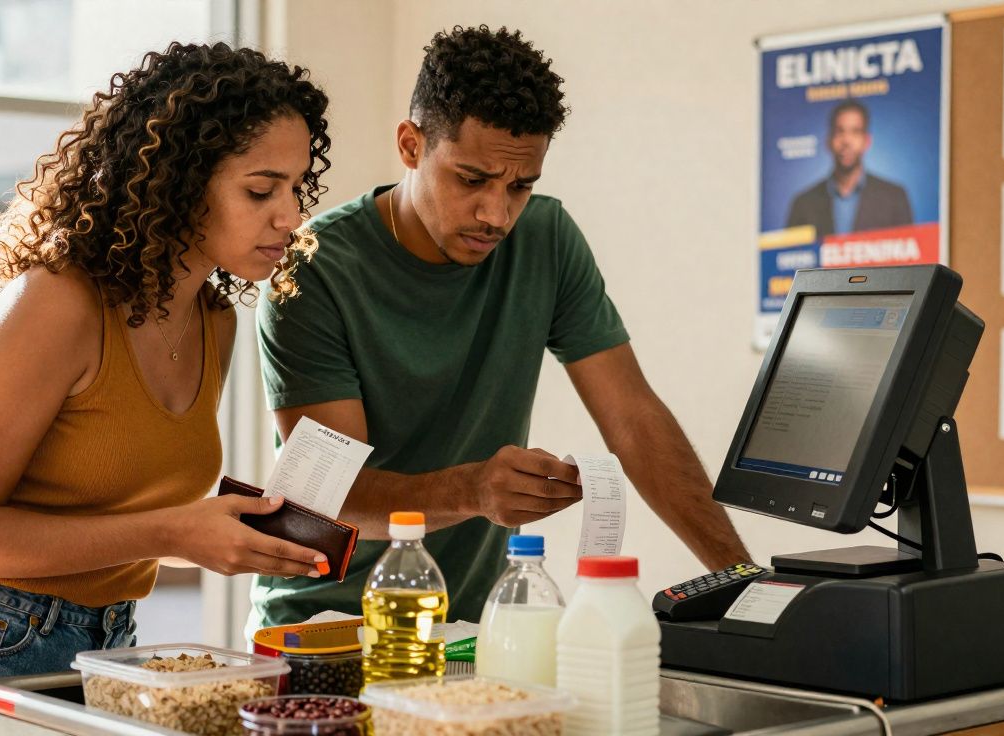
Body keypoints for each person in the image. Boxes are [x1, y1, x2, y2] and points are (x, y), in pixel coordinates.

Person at [0, 42, 331, 735]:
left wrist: (226, 527)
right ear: (179, 180)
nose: (289, 216)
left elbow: (117, 503)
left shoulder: (213, 320)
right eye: (261, 190)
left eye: (295, 188)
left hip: (102, 653)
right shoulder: (58, 304)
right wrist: (174, 533)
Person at [251, 25, 750, 632]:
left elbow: (634, 417)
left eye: (520, 186)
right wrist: (473, 490)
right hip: (321, 624)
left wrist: (742, 584)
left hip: (468, 628)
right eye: (471, 179)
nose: (496, 214)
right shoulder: (308, 267)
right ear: (411, 145)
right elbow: (334, 495)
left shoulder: (546, 238)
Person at [785, 99, 913, 241]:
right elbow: (792, 258)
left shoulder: (894, 198)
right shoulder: (803, 204)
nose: (846, 140)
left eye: (855, 132)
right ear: (829, 141)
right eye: (840, 131)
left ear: (867, 141)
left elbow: (909, 257)